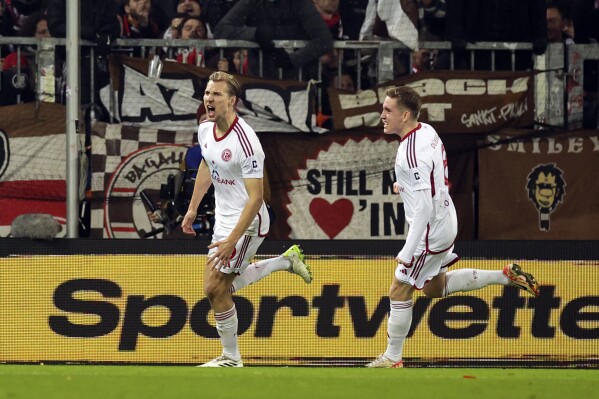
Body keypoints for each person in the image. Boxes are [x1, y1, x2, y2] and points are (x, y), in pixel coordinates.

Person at [366, 86, 541, 368]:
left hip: (429, 231)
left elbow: (423, 208)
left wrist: (408, 250)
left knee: (399, 289)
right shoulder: (426, 131)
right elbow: (432, 179)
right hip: (447, 219)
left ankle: (392, 357)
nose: (382, 115)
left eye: (388, 110)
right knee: (435, 289)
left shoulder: (409, 153)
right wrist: (406, 187)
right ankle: (505, 276)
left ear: (405, 114)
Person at [181, 71, 312, 367]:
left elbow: (256, 199)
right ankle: (284, 262)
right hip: (224, 219)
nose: (209, 99)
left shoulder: (247, 142)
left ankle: (231, 358)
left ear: (232, 101)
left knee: (215, 288)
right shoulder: (205, 129)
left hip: (248, 223)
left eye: (216, 94)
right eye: (207, 93)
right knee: (217, 287)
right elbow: (207, 163)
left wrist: (232, 240)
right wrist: (192, 208)